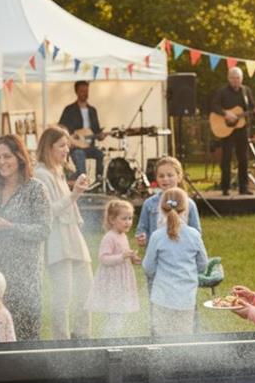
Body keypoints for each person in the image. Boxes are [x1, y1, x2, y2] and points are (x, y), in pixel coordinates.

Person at [0, 135, 51, 341]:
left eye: (7, 156)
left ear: (20, 157)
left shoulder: (35, 188)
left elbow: (44, 230)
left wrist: (11, 227)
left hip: (25, 277)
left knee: (26, 336)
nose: (2, 162)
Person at [33, 126, 93, 340]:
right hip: (58, 241)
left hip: (72, 236)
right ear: (49, 148)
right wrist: (74, 194)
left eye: (67, 145)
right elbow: (48, 211)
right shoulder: (40, 174)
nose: (67, 149)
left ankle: (82, 335)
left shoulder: (57, 171)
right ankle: (62, 342)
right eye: (62, 145)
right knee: (63, 295)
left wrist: (75, 190)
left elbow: (66, 207)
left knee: (86, 287)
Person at [142, 188, 208, 337]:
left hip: (161, 298)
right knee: (183, 338)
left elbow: (148, 267)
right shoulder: (194, 235)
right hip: (186, 298)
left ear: (161, 210)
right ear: (186, 209)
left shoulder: (157, 236)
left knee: (161, 338)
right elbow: (203, 264)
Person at [86, 199, 141, 337]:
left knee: (120, 313)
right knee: (115, 312)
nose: (128, 222)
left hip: (122, 281)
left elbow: (123, 255)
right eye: (124, 218)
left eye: (130, 218)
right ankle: (109, 338)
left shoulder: (123, 236)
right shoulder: (109, 237)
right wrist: (122, 256)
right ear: (112, 219)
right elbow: (103, 258)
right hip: (113, 282)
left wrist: (132, 258)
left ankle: (115, 336)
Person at [210, 66, 255, 196]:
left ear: (242, 79)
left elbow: (251, 108)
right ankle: (225, 188)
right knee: (226, 158)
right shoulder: (222, 92)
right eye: (233, 78)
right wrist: (225, 113)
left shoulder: (246, 91)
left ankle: (243, 187)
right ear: (228, 78)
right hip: (226, 129)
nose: (235, 80)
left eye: (238, 78)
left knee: (243, 158)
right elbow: (213, 105)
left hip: (242, 129)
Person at [135, 156, 201, 247]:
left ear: (179, 176)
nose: (165, 179)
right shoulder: (149, 204)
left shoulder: (189, 204)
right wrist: (141, 237)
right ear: (156, 178)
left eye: (170, 175)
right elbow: (141, 229)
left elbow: (196, 232)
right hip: (157, 253)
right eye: (161, 176)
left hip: (181, 253)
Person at [58, 81, 106, 182]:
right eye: (82, 91)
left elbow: (96, 131)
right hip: (76, 147)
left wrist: (101, 136)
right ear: (77, 92)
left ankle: (99, 181)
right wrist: (70, 139)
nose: (85, 93)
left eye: (86, 91)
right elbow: (61, 127)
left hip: (89, 146)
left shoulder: (92, 110)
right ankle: (78, 181)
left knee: (100, 154)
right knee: (80, 157)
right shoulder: (69, 109)